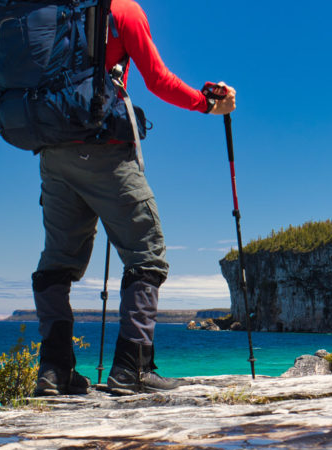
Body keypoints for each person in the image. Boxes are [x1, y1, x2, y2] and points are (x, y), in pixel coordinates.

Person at [32, 0, 236, 396]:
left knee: (56, 262)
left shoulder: (39, 14)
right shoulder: (122, 10)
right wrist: (208, 103)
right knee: (147, 252)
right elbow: (157, 80)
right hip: (104, 148)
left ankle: (53, 372)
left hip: (51, 153)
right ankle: (132, 369)